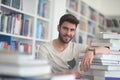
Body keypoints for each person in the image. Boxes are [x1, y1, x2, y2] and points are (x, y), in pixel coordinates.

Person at [36, 14, 110, 79]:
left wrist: (92, 52)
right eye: (65, 28)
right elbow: (41, 75)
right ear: (58, 28)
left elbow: (107, 50)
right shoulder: (44, 49)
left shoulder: (77, 47)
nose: (68, 33)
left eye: (72, 30)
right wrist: (66, 74)